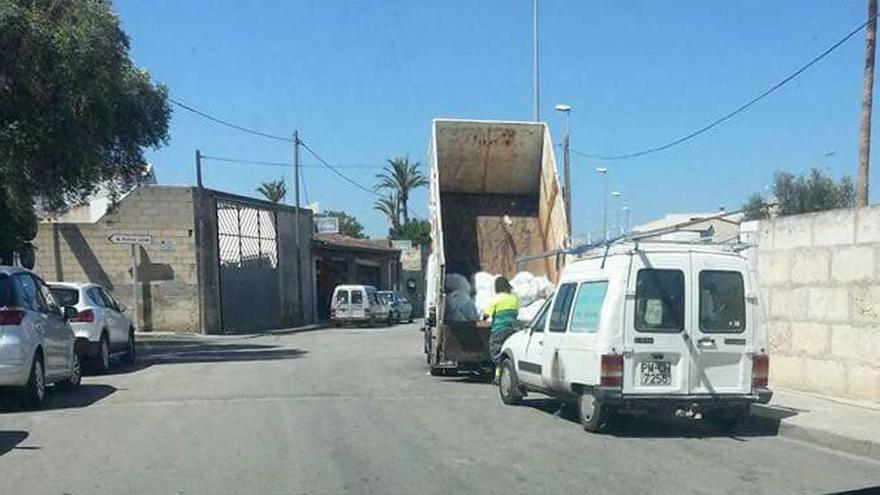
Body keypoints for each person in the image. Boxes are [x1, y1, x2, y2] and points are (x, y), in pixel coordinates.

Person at [482, 276, 519, 382]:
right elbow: (516, 313)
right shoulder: (514, 299)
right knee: (506, 352)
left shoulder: (497, 299)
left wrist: (483, 319)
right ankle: (499, 376)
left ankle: (500, 375)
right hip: (511, 329)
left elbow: (486, 314)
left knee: (496, 353)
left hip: (498, 329)